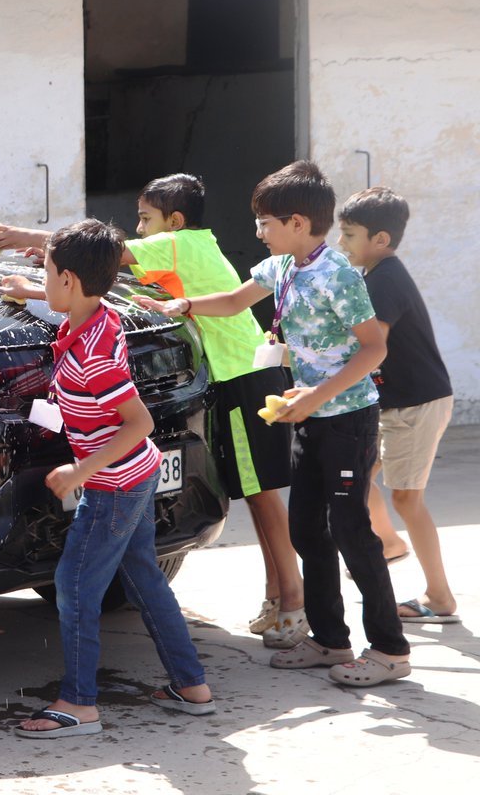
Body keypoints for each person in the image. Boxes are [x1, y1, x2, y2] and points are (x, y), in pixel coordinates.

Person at [0, 174, 303, 646]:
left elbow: (98, 252)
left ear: (173, 221)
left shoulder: (179, 244)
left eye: (144, 219)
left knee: (262, 498)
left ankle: (294, 604)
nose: (137, 230)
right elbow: (101, 289)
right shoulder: (181, 249)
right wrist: (38, 288)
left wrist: (25, 237)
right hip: (234, 376)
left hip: (244, 376)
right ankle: (276, 596)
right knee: (255, 497)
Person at [133, 161, 411, 686]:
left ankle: (390, 649)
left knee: (353, 532)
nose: (258, 232)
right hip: (305, 414)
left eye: (266, 223)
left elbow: (374, 348)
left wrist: (318, 394)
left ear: (300, 223)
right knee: (308, 528)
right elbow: (237, 300)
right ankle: (330, 641)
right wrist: (181, 304)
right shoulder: (281, 268)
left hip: (346, 418)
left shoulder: (340, 275)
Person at [10, 219, 214, 740]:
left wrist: (81, 470)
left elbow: (139, 422)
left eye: (49, 272)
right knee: (143, 575)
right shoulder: (96, 315)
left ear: (71, 281)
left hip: (115, 486)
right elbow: (72, 298)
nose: (44, 278)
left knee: (74, 586)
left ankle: (78, 703)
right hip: (136, 474)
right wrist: (29, 291)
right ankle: (191, 684)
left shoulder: (92, 356)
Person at [337, 187, 458, 623]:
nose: (340, 243)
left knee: (408, 499)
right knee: (356, 475)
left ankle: (440, 597)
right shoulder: (374, 275)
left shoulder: (385, 278)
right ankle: (388, 543)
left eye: (349, 235)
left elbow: (374, 348)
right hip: (394, 403)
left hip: (415, 403)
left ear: (380, 240)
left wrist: (324, 384)